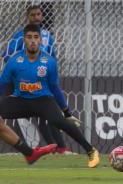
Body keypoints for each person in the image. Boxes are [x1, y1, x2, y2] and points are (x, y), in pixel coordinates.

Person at [0, 24, 99, 168]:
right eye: (29, 37)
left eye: (36, 37)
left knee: (61, 121)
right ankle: (29, 153)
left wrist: (66, 111)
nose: (33, 41)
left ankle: (91, 150)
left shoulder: (49, 62)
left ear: (40, 40)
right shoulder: (14, 61)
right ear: (24, 40)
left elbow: (54, 87)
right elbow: (2, 85)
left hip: (43, 100)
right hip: (20, 100)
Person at [1, 5, 77, 154]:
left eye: (38, 14)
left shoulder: (47, 36)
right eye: (32, 15)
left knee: (49, 114)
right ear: (27, 18)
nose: (36, 17)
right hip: (26, 82)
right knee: (43, 115)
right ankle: (58, 148)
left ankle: (58, 148)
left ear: (42, 16)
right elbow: (6, 55)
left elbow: (53, 57)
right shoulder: (21, 36)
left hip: (43, 80)